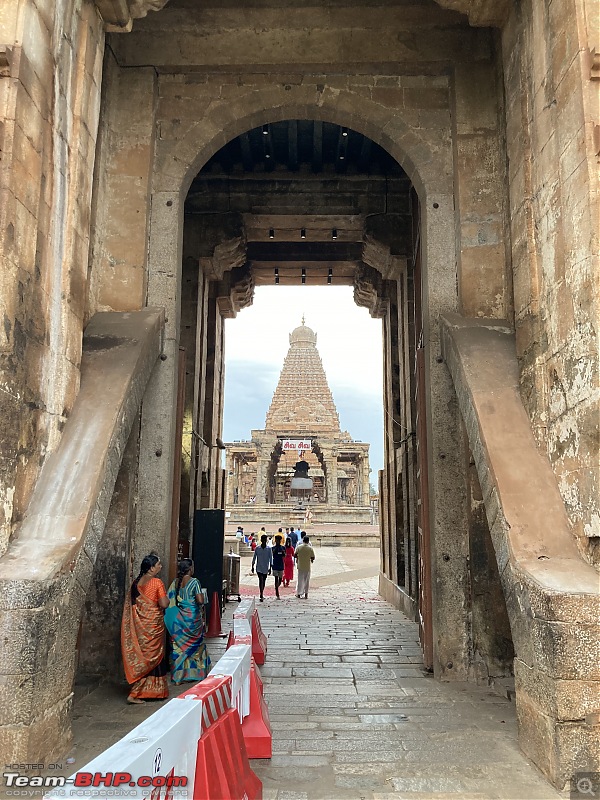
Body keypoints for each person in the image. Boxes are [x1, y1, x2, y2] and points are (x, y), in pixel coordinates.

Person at [121, 553, 169, 704]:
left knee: (144, 657)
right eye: (158, 565)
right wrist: (168, 599)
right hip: (153, 626)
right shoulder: (156, 582)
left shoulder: (136, 582)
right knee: (153, 658)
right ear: (151, 568)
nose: (160, 567)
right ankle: (135, 693)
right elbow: (163, 604)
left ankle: (147, 691)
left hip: (140, 627)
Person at [164, 559, 211, 685]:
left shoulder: (176, 582)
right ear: (190, 569)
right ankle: (196, 673)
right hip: (192, 618)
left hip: (181, 618)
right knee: (196, 645)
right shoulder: (194, 582)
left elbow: (169, 600)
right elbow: (200, 600)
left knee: (180, 646)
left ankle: (179, 676)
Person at [251, 534, 272, 602]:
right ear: (261, 540)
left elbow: (271, 558)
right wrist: (252, 566)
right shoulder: (257, 548)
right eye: (263, 540)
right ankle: (261, 593)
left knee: (264, 581)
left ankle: (262, 591)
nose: (264, 541)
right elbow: (254, 557)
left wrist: (270, 567)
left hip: (265, 567)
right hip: (259, 567)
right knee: (261, 580)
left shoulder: (269, 549)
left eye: (265, 540)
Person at [271, 534, 287, 599]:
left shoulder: (283, 548)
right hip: (275, 565)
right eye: (277, 540)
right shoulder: (273, 548)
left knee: (280, 579)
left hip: (281, 565)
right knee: (276, 578)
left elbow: (284, 556)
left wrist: (283, 553)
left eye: (279, 540)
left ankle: (277, 586)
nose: (278, 542)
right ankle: (277, 592)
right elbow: (271, 555)